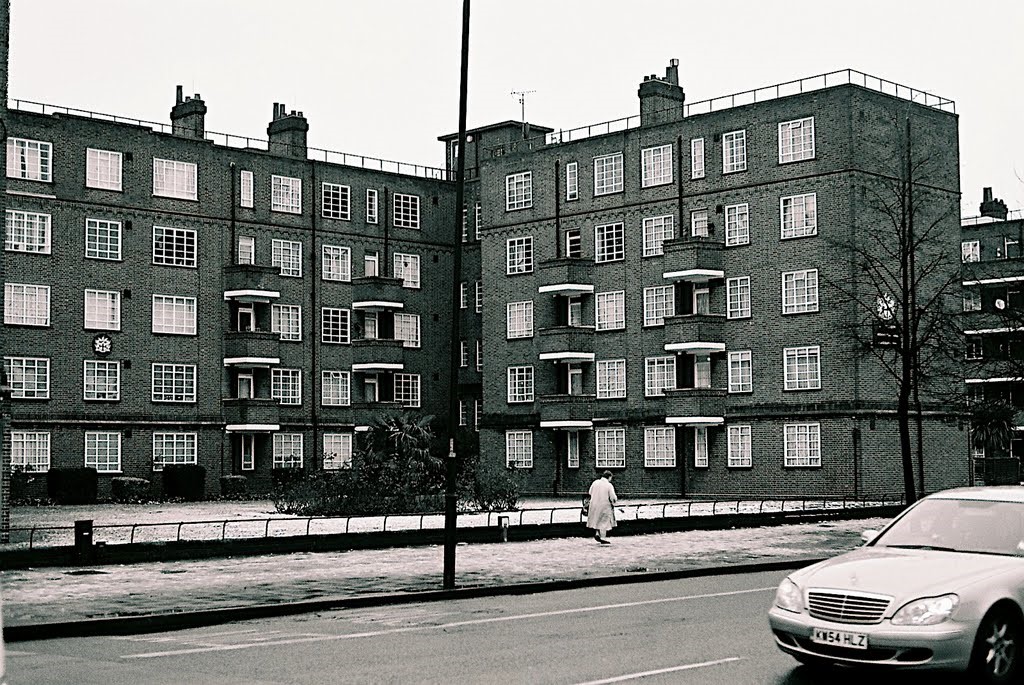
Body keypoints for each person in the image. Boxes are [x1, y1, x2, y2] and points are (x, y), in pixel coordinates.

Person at [587, 470, 618, 544]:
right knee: (604, 522)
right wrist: (614, 502)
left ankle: (597, 534)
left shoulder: (595, 482)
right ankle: (603, 538)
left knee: (596, 520)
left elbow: (590, 492)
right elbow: (613, 497)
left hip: (594, 505)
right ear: (609, 477)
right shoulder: (608, 485)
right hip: (604, 506)